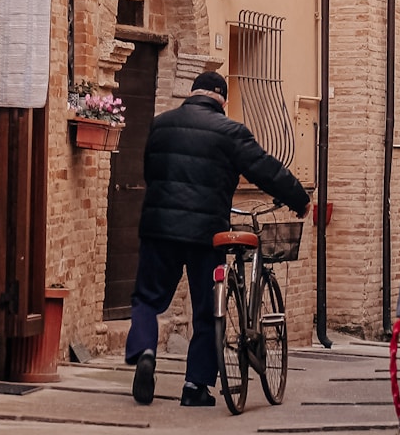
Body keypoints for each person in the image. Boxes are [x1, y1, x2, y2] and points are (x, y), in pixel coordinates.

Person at [126, 71, 310, 407]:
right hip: (206, 234)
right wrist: (299, 199)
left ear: (192, 92)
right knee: (208, 310)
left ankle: (145, 352)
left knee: (147, 299)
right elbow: (264, 168)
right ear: (221, 99)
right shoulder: (230, 131)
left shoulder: (161, 124)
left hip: (159, 229)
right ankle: (195, 387)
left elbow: (150, 171)